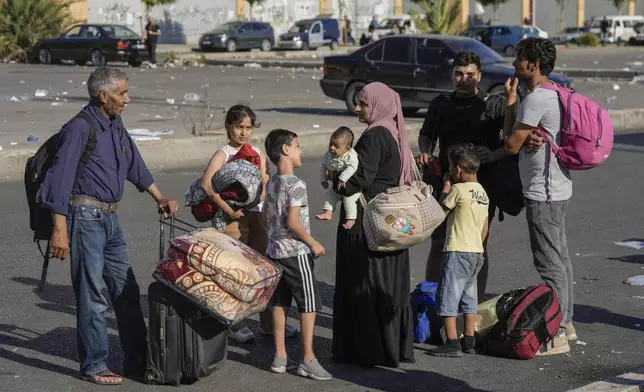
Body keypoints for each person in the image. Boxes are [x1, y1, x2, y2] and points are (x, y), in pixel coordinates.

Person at [38, 67, 179, 385]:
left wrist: (158, 195)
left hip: (110, 219)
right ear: (104, 96)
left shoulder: (115, 123)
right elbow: (57, 180)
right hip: (84, 218)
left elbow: (133, 161)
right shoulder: (79, 127)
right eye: (122, 93)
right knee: (91, 294)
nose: (127, 99)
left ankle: (139, 360)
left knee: (126, 290)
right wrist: (59, 229)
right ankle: (94, 364)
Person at [332, 82, 415, 368]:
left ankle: (368, 350)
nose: (358, 108)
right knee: (386, 284)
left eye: (364, 104)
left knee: (362, 282)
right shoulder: (393, 132)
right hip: (388, 222)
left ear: (378, 106)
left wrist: (335, 182)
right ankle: (390, 348)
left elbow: (360, 179)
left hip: (364, 222)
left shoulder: (374, 136)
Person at [200, 105, 297, 344]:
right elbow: (206, 185)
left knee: (264, 270)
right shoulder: (223, 153)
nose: (243, 132)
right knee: (236, 273)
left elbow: (265, 179)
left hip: (258, 217)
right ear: (228, 127)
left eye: (248, 127)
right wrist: (228, 209)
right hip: (234, 219)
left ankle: (268, 324)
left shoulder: (256, 151)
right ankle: (235, 324)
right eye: (238, 127)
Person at [418, 51, 507, 304]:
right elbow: (426, 136)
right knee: (438, 243)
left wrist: (492, 154)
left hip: (481, 188)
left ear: (479, 77)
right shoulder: (440, 104)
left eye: (470, 75)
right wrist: (425, 151)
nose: (464, 79)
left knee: (478, 247)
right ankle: (432, 302)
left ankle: (473, 308)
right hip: (444, 183)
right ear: (452, 75)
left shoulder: (491, 106)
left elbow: (511, 144)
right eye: (459, 74)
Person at [504, 37, 574, 355]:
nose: (515, 62)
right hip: (559, 188)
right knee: (560, 258)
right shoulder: (556, 93)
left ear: (533, 64)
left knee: (549, 263)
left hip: (543, 192)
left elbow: (509, 145)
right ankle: (568, 323)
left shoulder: (536, 99)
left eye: (520, 58)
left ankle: (556, 331)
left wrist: (510, 104)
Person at [263, 129, 332, 381]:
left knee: (280, 303)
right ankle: (307, 359)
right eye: (297, 146)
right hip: (296, 253)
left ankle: (280, 356)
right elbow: (293, 221)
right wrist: (313, 243)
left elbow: (266, 218)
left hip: (274, 252)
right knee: (309, 304)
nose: (301, 151)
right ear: (285, 150)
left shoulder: (271, 183)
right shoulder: (296, 184)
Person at [428, 144, 489, 358]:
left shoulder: (457, 189)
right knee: (469, 297)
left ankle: (452, 342)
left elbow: (440, 212)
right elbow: (484, 228)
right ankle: (469, 340)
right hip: (476, 252)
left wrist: (445, 188)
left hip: (457, 251)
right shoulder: (483, 193)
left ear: (457, 170)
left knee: (448, 296)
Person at [315, 126, 360, 230]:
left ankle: (351, 219)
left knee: (349, 200)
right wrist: (323, 179)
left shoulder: (350, 156)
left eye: (336, 146)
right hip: (338, 186)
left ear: (347, 148)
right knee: (329, 195)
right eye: (331, 144)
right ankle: (327, 212)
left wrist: (342, 178)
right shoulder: (329, 155)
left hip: (352, 188)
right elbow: (323, 166)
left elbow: (353, 166)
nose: (332, 148)